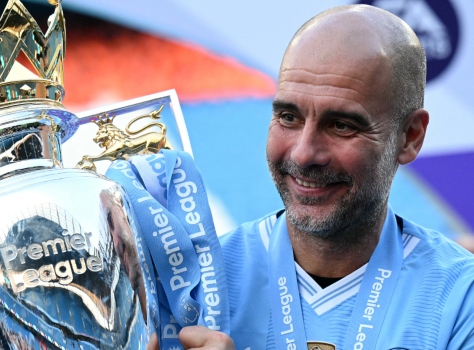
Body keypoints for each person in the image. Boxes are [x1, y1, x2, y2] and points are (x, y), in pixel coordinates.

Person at [149, 4, 474, 350]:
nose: (304, 154)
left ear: (409, 136)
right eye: (289, 117)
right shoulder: (193, 284)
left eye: (341, 125)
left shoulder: (460, 297)